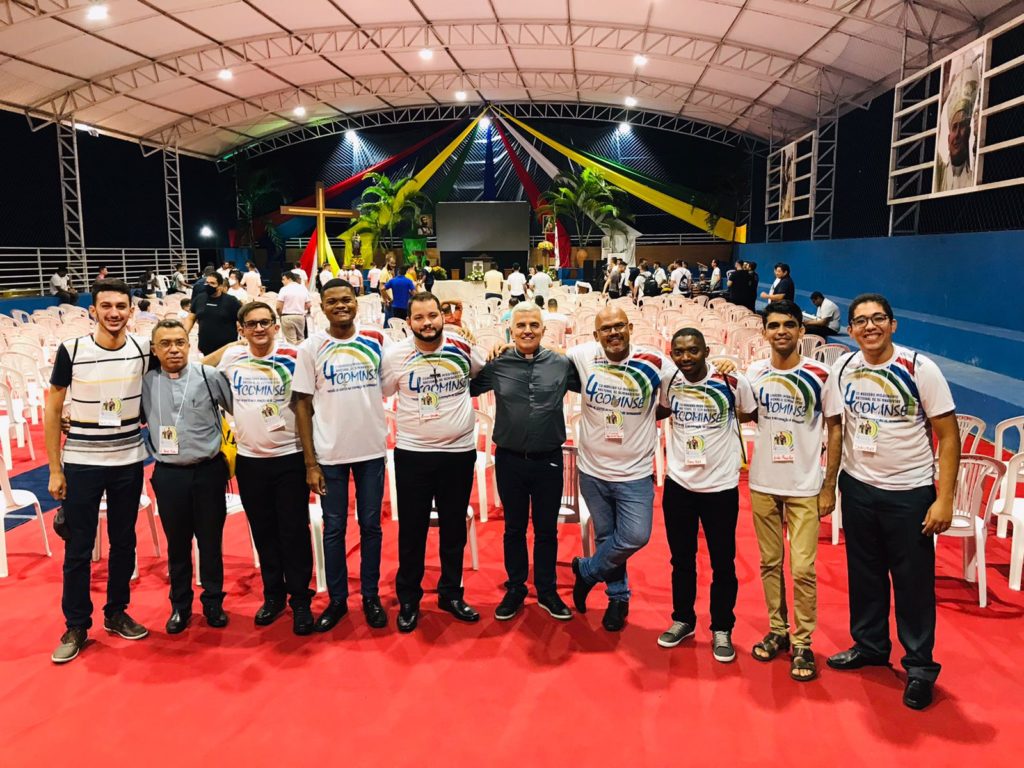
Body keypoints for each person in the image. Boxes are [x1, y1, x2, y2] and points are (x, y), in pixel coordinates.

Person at [825, 294, 960, 711]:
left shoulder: (920, 368)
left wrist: (944, 499)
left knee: (913, 584)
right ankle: (870, 645)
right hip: (860, 487)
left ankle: (919, 667)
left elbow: (949, 435)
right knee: (864, 574)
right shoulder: (844, 367)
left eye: (878, 319)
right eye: (861, 321)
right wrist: (832, 484)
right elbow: (835, 426)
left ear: (893, 324)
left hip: (910, 493)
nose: (870, 327)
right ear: (849, 330)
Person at [46, 279, 150, 663]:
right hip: (82, 464)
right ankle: (76, 624)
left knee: (125, 542)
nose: (113, 313)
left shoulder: (143, 349)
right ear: (93, 310)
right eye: (105, 306)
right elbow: (54, 409)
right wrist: (56, 469)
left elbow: (181, 363)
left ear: (131, 310)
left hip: (128, 461)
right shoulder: (71, 350)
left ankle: (116, 612)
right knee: (78, 548)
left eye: (121, 306)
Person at [746, 299, 842, 682]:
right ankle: (778, 630)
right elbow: (741, 413)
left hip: (805, 485)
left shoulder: (821, 374)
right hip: (763, 483)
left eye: (789, 324)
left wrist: (828, 484)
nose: (781, 331)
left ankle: (803, 640)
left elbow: (835, 428)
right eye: (774, 325)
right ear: (765, 331)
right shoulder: (754, 372)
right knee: (770, 564)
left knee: (802, 568)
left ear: (802, 331)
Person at [381, 292, 486, 632]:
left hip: (458, 454)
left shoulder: (462, 348)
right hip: (413, 455)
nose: (428, 323)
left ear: (443, 316)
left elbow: (482, 374)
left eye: (433, 315)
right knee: (412, 531)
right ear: (408, 322)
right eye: (420, 317)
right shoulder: (395, 356)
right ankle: (409, 598)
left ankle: (451, 593)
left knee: (454, 529)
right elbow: (382, 392)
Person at [209, 302, 316, 635]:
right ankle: (274, 596)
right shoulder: (232, 359)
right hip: (249, 460)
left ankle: (300, 599)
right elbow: (199, 367)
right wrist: (230, 344)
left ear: (276, 325)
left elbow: (310, 404)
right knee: (264, 531)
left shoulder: (295, 356)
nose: (259, 329)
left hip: (289, 457)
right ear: (241, 328)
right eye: (251, 324)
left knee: (294, 531)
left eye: (265, 322)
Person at [567, 305, 673, 632]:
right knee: (606, 536)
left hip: (635, 472)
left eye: (618, 326)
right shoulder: (584, 355)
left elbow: (673, 398)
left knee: (635, 535)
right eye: (606, 329)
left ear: (629, 327)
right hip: (592, 470)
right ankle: (618, 596)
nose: (613, 333)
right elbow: (548, 355)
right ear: (596, 335)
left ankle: (587, 571)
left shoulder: (656, 362)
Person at [470, 302, 578, 621]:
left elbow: (595, 382)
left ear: (543, 330)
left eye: (533, 325)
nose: (527, 330)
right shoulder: (498, 363)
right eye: (521, 326)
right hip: (509, 460)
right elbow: (466, 385)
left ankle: (546, 590)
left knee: (546, 530)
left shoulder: (561, 364)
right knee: (514, 529)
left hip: (549, 460)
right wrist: (474, 345)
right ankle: (516, 587)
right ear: (510, 331)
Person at [656, 328, 757, 661]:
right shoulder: (671, 383)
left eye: (693, 351)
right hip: (679, 485)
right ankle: (683, 619)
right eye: (679, 352)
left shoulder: (731, 383)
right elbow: (663, 410)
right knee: (680, 560)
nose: (686, 358)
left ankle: (722, 628)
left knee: (722, 564)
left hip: (720, 488)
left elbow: (749, 412)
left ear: (707, 350)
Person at [294, 280, 389, 632]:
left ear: (356, 303)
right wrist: (310, 462)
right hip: (329, 455)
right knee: (334, 529)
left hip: (371, 452)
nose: (340, 306)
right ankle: (337, 600)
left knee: (371, 527)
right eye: (332, 301)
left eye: (346, 300)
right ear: (321, 307)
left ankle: (370, 595)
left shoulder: (378, 340)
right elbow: (301, 404)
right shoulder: (311, 347)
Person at [142, 320, 232, 634]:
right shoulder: (146, 382)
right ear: (154, 349)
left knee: (210, 542)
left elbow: (237, 408)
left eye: (179, 342)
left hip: (208, 471)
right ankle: (180, 605)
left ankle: (213, 602)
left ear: (189, 344)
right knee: (177, 545)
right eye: (165, 343)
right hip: (169, 475)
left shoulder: (208, 376)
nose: (174, 349)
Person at [935, 63, 980, 192]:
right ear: (948, 139)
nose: (957, 135)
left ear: (969, 132)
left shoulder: (972, 177)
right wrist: (941, 102)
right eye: (955, 127)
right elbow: (933, 136)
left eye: (962, 127)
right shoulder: (940, 173)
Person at [184, 271, 243, 355]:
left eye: (212, 283)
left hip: (226, 350)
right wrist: (184, 334)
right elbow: (190, 318)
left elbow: (242, 321)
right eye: (207, 283)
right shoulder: (199, 298)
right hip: (204, 348)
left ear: (220, 286)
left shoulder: (231, 301)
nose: (208, 285)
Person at [276, 271, 310, 345]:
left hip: (287, 316)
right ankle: (302, 356)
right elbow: (308, 305)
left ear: (289, 279)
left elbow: (278, 307)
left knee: (291, 342)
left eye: (283, 279)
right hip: (300, 316)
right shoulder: (303, 288)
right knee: (301, 340)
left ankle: (294, 356)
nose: (282, 281)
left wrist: (280, 315)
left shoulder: (284, 289)